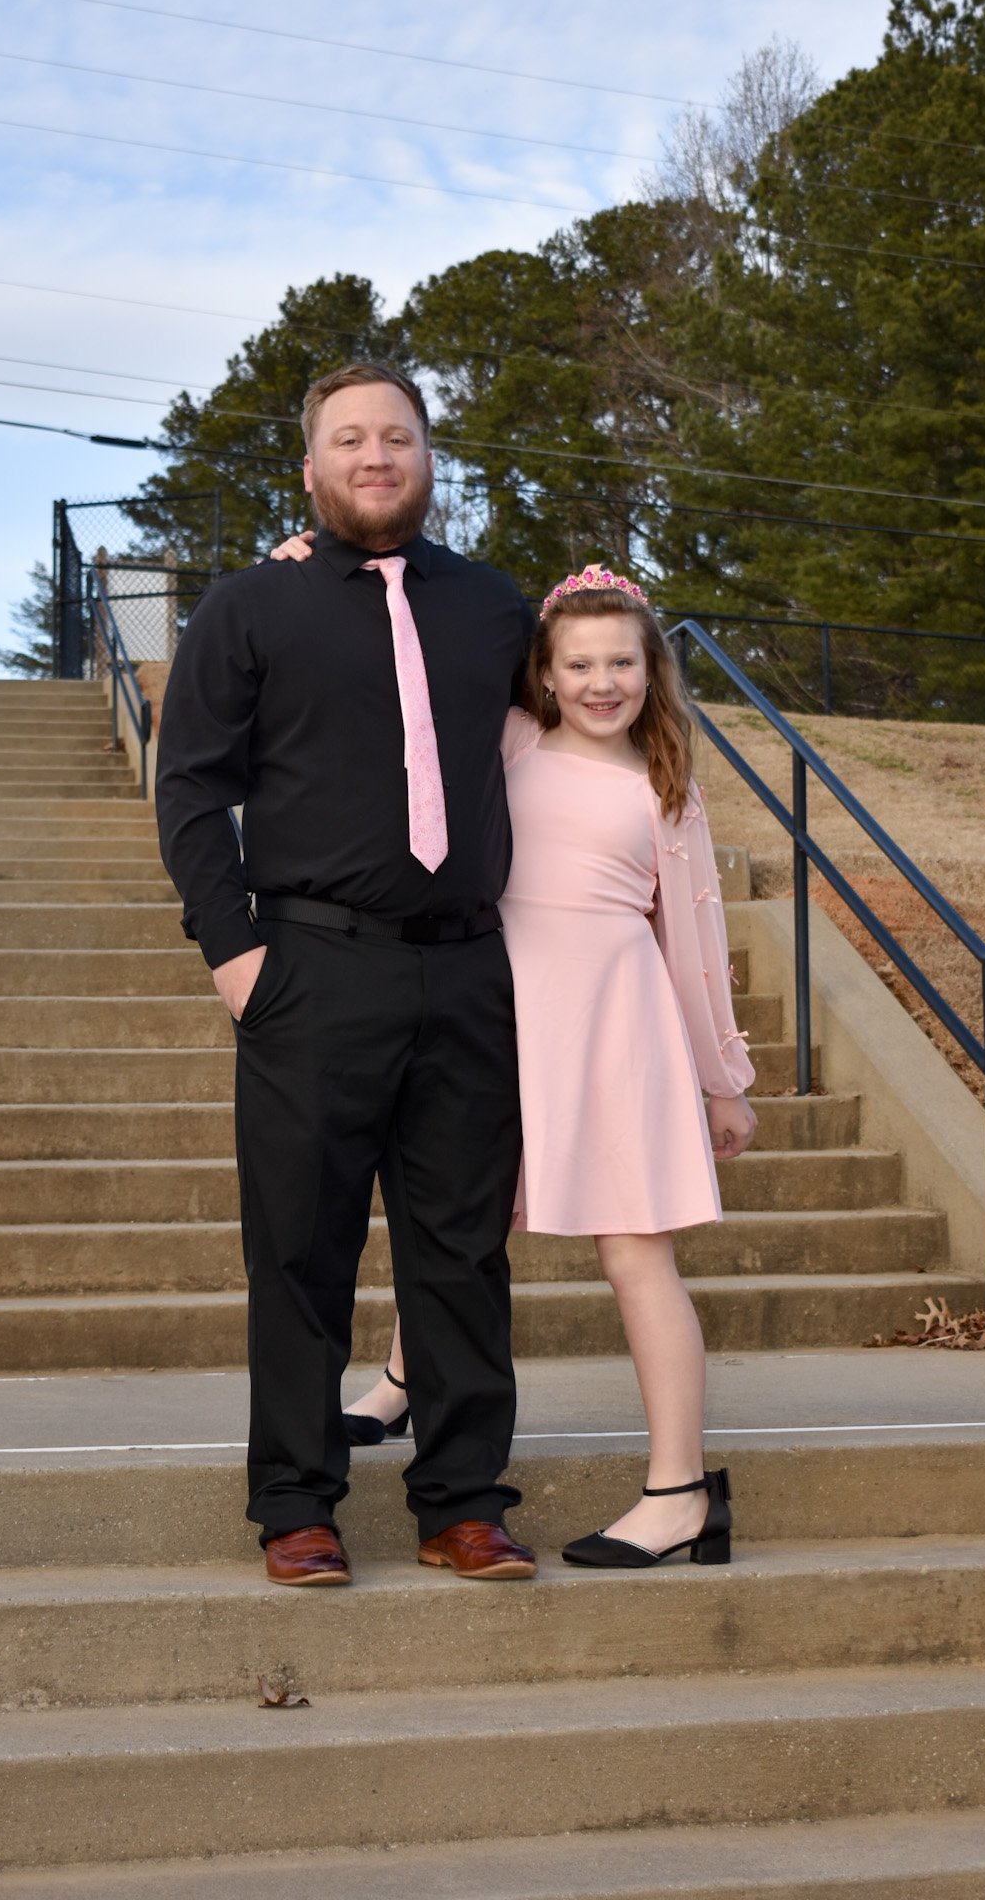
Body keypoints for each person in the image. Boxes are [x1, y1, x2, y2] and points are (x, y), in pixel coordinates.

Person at [275, 540, 759, 1567]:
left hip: (616, 1025)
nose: (601, 682)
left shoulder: (665, 784)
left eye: (623, 663)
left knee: (637, 1252)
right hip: (492, 1007)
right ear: (543, 671)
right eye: (578, 664)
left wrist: (721, 1078)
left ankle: (678, 1489)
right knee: (451, 1216)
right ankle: (407, 1379)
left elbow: (696, 947)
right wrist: (314, 562)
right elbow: (403, 662)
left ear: (652, 671)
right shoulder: (507, 741)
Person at [156, 361, 537, 1587]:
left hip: (470, 972)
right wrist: (236, 955)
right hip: (312, 972)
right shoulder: (248, 610)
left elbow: (585, 734)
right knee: (301, 1251)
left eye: (400, 437)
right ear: (312, 466)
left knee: (462, 1252)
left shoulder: (496, 610)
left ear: (430, 457)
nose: (377, 456)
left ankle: (465, 1500)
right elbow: (192, 788)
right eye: (350, 439)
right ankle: (296, 1503)